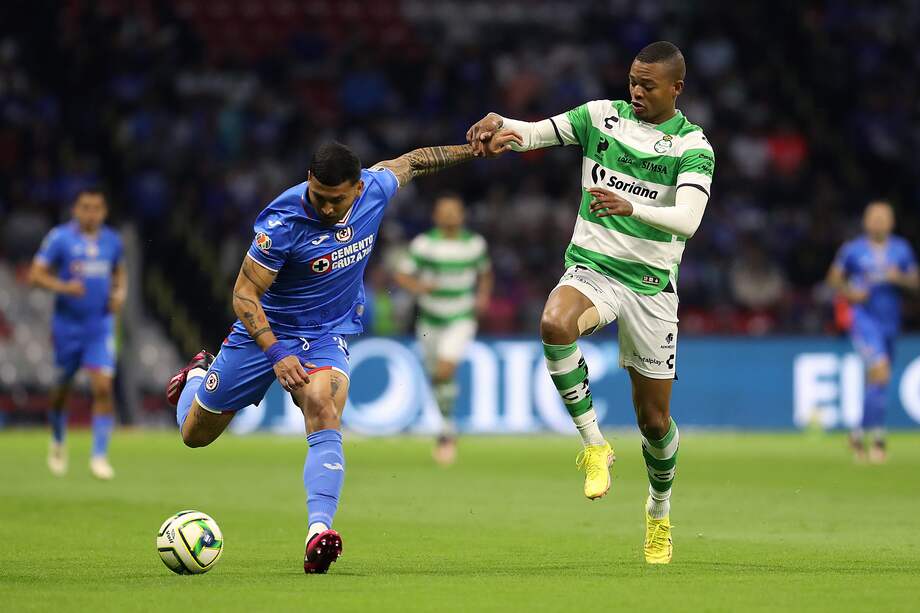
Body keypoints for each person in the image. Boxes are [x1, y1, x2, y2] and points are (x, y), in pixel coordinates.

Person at [165, 136, 519, 574]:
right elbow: (243, 295)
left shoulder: (376, 188)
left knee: (322, 404)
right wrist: (276, 353)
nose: (328, 208)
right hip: (266, 334)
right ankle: (197, 376)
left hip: (326, 334)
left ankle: (318, 532)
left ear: (358, 188)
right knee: (195, 435)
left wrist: (476, 150)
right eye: (319, 197)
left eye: (337, 200)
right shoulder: (282, 223)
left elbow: (415, 161)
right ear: (308, 181)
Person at [466, 41, 714, 564]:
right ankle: (594, 444)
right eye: (633, 81)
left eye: (648, 85)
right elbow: (534, 133)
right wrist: (501, 124)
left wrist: (633, 206)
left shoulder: (693, 146)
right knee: (554, 324)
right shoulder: (601, 117)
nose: (636, 91)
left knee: (654, 422)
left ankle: (659, 511)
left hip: (650, 287)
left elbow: (689, 220)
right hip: (593, 269)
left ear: (677, 88)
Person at [30, 189, 127, 480]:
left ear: (104, 211)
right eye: (85, 207)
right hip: (67, 327)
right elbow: (36, 274)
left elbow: (119, 272)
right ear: (75, 209)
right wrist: (64, 287)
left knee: (103, 387)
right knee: (62, 390)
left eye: (96, 208)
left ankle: (99, 456)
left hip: (100, 326)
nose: (91, 213)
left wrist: (119, 294)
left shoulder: (112, 241)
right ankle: (58, 439)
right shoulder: (60, 238)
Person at [394, 194, 493, 464]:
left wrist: (483, 297)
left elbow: (485, 273)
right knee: (438, 378)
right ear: (436, 216)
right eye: (444, 211)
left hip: (460, 317)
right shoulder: (425, 244)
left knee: (445, 369)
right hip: (429, 320)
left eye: (454, 210)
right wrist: (419, 287)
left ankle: (446, 434)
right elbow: (401, 274)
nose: (449, 215)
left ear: (462, 215)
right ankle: (447, 426)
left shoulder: (474, 244)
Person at [827, 201, 918, 463]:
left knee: (879, 380)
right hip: (864, 320)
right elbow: (833, 278)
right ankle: (877, 439)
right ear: (865, 222)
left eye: (883, 217)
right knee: (881, 370)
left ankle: (859, 434)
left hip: (890, 321)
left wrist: (899, 278)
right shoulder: (853, 250)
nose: (878, 222)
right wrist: (850, 293)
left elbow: (915, 282)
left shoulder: (901, 249)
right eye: (873, 217)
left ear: (891, 222)